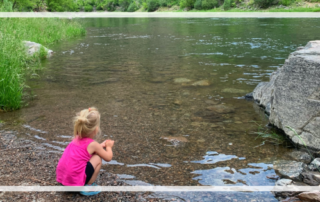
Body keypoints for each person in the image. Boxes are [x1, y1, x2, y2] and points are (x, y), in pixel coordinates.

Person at [56, 107, 114, 196]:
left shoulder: (75, 138)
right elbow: (108, 157)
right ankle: (88, 186)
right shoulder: (93, 145)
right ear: (96, 129)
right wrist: (109, 147)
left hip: (63, 181)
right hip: (75, 185)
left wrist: (100, 146)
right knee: (98, 158)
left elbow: (86, 150)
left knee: (87, 157)